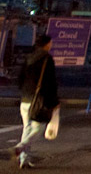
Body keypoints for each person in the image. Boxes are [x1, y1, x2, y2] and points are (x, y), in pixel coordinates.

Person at [14, 35, 59, 169]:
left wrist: (24, 91)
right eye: (50, 43)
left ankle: (24, 159)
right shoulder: (47, 59)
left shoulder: (29, 57)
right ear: (47, 44)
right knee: (38, 128)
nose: (51, 45)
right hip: (38, 99)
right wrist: (54, 101)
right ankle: (20, 147)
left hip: (26, 98)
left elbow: (20, 78)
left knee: (27, 127)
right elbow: (50, 82)